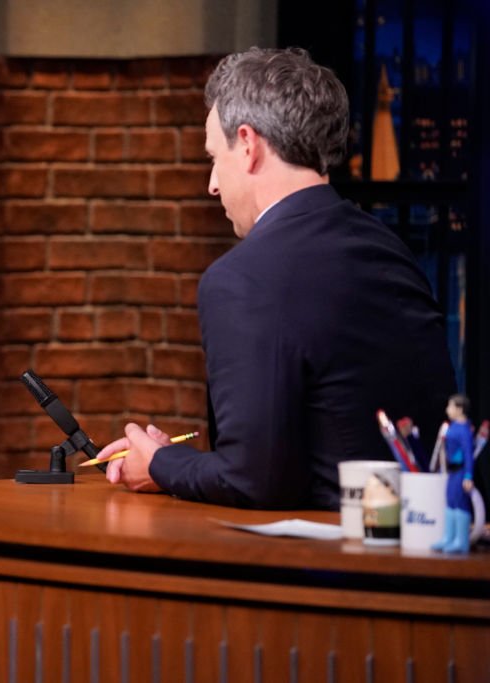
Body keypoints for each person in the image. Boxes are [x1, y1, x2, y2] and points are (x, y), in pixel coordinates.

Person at [96, 47, 455, 509]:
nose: (212, 184)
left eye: (214, 157)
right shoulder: (389, 248)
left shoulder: (241, 279)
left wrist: (161, 464)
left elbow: (254, 479)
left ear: (247, 145)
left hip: (334, 564)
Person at [432, 394, 474, 553]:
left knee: (460, 502)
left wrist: (468, 476)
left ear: (459, 409)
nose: (447, 409)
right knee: (450, 501)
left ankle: (461, 541)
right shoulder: (453, 426)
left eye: (450, 406)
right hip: (452, 472)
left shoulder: (464, 430)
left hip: (461, 471)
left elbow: (468, 454)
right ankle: (448, 537)